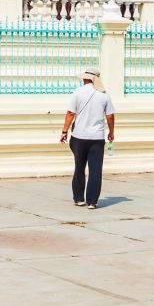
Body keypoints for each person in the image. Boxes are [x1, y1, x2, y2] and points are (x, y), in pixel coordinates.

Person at [59, 68, 115, 208]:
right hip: (97, 138)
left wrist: (64, 131)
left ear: (86, 79)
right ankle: (92, 201)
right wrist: (111, 132)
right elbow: (110, 116)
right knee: (95, 170)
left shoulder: (78, 92)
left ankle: (79, 199)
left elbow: (71, 113)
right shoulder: (104, 95)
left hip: (79, 137)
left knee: (79, 167)